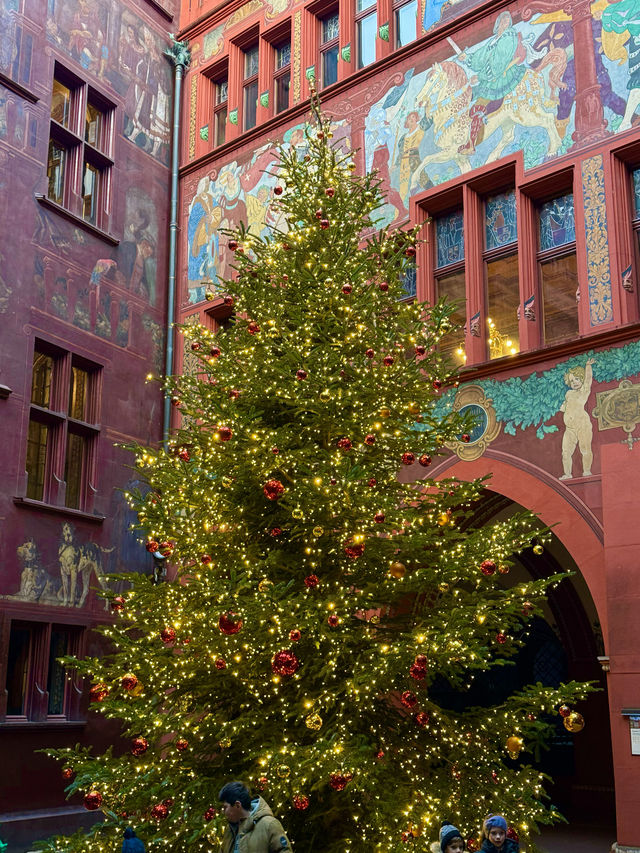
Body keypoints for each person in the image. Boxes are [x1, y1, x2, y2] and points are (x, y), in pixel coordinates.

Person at [219, 781, 292, 853]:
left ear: (237, 805)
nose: (223, 811)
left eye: (225, 807)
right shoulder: (229, 830)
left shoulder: (269, 825)